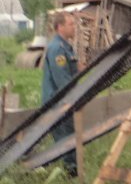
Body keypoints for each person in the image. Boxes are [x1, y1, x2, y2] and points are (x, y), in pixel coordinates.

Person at [41, 11, 79, 177]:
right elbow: (62, 80)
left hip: (64, 100)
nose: (74, 27)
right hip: (58, 102)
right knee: (65, 138)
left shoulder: (65, 46)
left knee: (69, 135)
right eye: (71, 24)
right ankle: (70, 174)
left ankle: (71, 171)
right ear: (60, 27)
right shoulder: (57, 48)